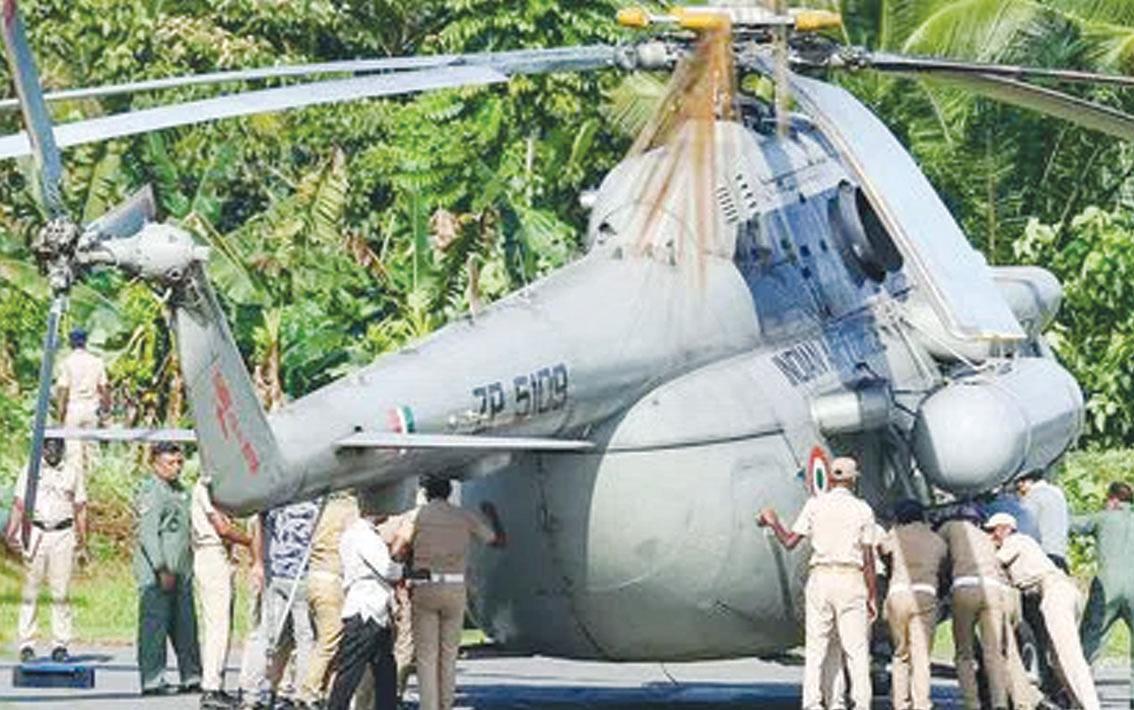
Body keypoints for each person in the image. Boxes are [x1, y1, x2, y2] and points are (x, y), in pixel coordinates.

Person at [757, 456, 878, 710]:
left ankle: (816, 703)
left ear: (831, 479)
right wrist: (871, 596)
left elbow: (790, 542)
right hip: (851, 577)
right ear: (853, 480)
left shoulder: (814, 505)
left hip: (821, 579)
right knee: (855, 650)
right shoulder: (863, 509)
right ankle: (861, 704)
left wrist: (773, 521)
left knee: (818, 648)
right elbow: (868, 557)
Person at [395, 477, 506, 710]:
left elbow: (397, 549)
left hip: (426, 586)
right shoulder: (464, 516)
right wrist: (492, 514)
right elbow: (497, 541)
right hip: (455, 588)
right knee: (448, 653)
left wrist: (408, 559)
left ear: (426, 493)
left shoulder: (418, 515)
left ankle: (429, 706)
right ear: (448, 492)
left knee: (426, 656)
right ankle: (446, 703)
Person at [987, 511, 1100, 710]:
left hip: (1054, 592)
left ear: (1004, 529)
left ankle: (1091, 705)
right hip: (1062, 590)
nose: (990, 536)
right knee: (1057, 658)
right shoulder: (1025, 542)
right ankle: (1076, 703)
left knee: (1070, 655)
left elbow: (994, 561)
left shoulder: (1015, 540)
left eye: (991, 531)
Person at [937, 504, 1037, 710]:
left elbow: (937, 554)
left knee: (964, 654)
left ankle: (972, 703)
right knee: (994, 652)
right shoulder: (986, 539)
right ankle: (999, 702)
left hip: (965, 587)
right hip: (993, 591)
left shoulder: (951, 527)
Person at [5, 438, 88, 663]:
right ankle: (27, 644)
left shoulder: (72, 472)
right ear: (42, 448)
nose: (52, 452)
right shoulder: (30, 470)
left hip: (63, 533)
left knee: (60, 591)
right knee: (30, 590)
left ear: (63, 448)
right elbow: (19, 503)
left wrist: (83, 540)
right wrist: (9, 533)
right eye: (48, 447)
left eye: (57, 447)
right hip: (35, 533)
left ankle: (60, 644)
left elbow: (80, 507)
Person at [134, 441, 201, 695]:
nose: (176, 468)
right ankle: (153, 680)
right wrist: (161, 569)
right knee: (155, 626)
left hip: (181, 569)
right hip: (157, 572)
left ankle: (191, 675)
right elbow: (149, 535)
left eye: (178, 463)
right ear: (155, 464)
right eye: (169, 463)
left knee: (185, 625)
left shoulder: (180, 490)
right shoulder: (153, 492)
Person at [239, 498, 319, 707]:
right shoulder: (315, 504)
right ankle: (303, 693)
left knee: (266, 633)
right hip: (301, 576)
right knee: (305, 637)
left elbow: (260, 526)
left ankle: (251, 692)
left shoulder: (278, 498)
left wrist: (260, 562)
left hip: (277, 573)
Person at [326, 508, 405, 709]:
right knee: (351, 671)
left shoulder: (353, 533)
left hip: (372, 609)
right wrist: (407, 571)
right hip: (367, 610)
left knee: (385, 669)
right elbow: (387, 569)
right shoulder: (366, 536)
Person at [877, 500, 946, 710]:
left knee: (900, 654)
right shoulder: (937, 540)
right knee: (921, 655)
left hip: (898, 593)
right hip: (925, 594)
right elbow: (943, 566)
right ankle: (922, 703)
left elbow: (882, 550)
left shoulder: (895, 535)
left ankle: (900, 703)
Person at [192, 473, 252, 708]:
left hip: (221, 555)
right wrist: (250, 541)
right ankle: (211, 688)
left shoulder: (221, 483)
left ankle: (216, 682)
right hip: (210, 552)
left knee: (223, 625)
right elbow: (222, 528)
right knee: (217, 625)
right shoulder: (205, 486)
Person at [1074, 481, 1134, 700]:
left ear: (1114, 500)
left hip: (1107, 587)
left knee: (1090, 639)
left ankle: (1081, 695)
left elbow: (1072, 525)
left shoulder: (1103, 517)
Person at [299, 490, 360, 707]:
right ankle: (308, 692)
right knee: (330, 640)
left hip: (315, 577)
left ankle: (322, 689)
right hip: (333, 580)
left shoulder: (324, 508)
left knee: (324, 637)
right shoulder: (350, 510)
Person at [55, 327, 109, 476]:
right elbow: (104, 388)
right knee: (92, 446)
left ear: (71, 343)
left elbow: (63, 390)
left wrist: (60, 415)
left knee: (73, 449)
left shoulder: (67, 362)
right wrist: (105, 410)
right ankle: (96, 479)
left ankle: (76, 483)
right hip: (92, 407)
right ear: (85, 342)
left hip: (74, 407)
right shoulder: (97, 361)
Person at [1016, 471, 1071, 571]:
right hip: (1060, 554)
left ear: (1029, 481)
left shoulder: (1032, 497)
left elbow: (1026, 527)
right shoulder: (1057, 492)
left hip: (1044, 556)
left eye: (1019, 481)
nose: (1018, 486)